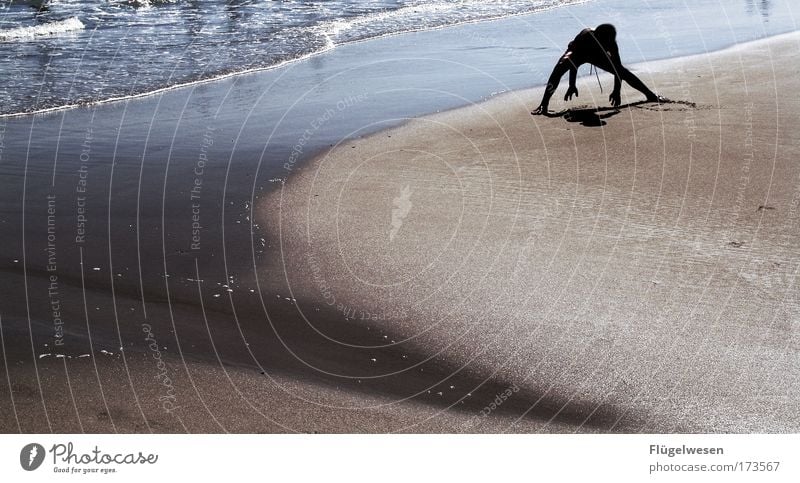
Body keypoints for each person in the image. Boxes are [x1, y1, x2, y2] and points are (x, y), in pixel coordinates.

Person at [531, 24, 661, 115]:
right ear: (597, 36)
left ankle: (650, 95)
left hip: (597, 56)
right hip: (577, 52)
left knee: (624, 72)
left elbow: (617, 69)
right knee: (558, 69)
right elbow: (573, 62)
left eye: (608, 42)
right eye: (603, 41)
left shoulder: (611, 43)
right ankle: (544, 104)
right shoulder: (586, 35)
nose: (606, 44)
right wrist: (572, 84)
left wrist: (616, 91)